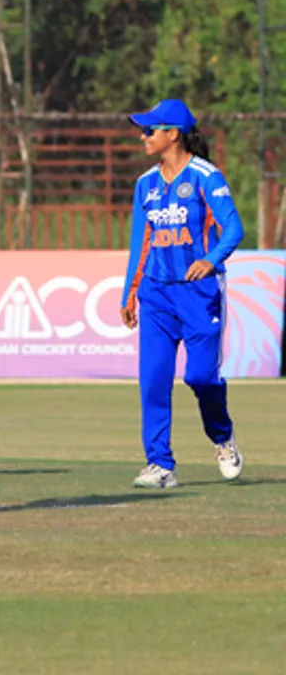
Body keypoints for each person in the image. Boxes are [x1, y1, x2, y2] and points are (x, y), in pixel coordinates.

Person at [120, 99, 244, 489]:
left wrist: (211, 259)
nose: (143, 136)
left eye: (149, 130)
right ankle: (159, 463)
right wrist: (130, 294)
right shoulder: (145, 184)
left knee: (201, 377)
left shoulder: (206, 176)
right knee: (154, 379)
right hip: (156, 295)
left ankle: (222, 437)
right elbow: (140, 242)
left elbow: (234, 228)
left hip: (198, 292)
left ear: (172, 134)